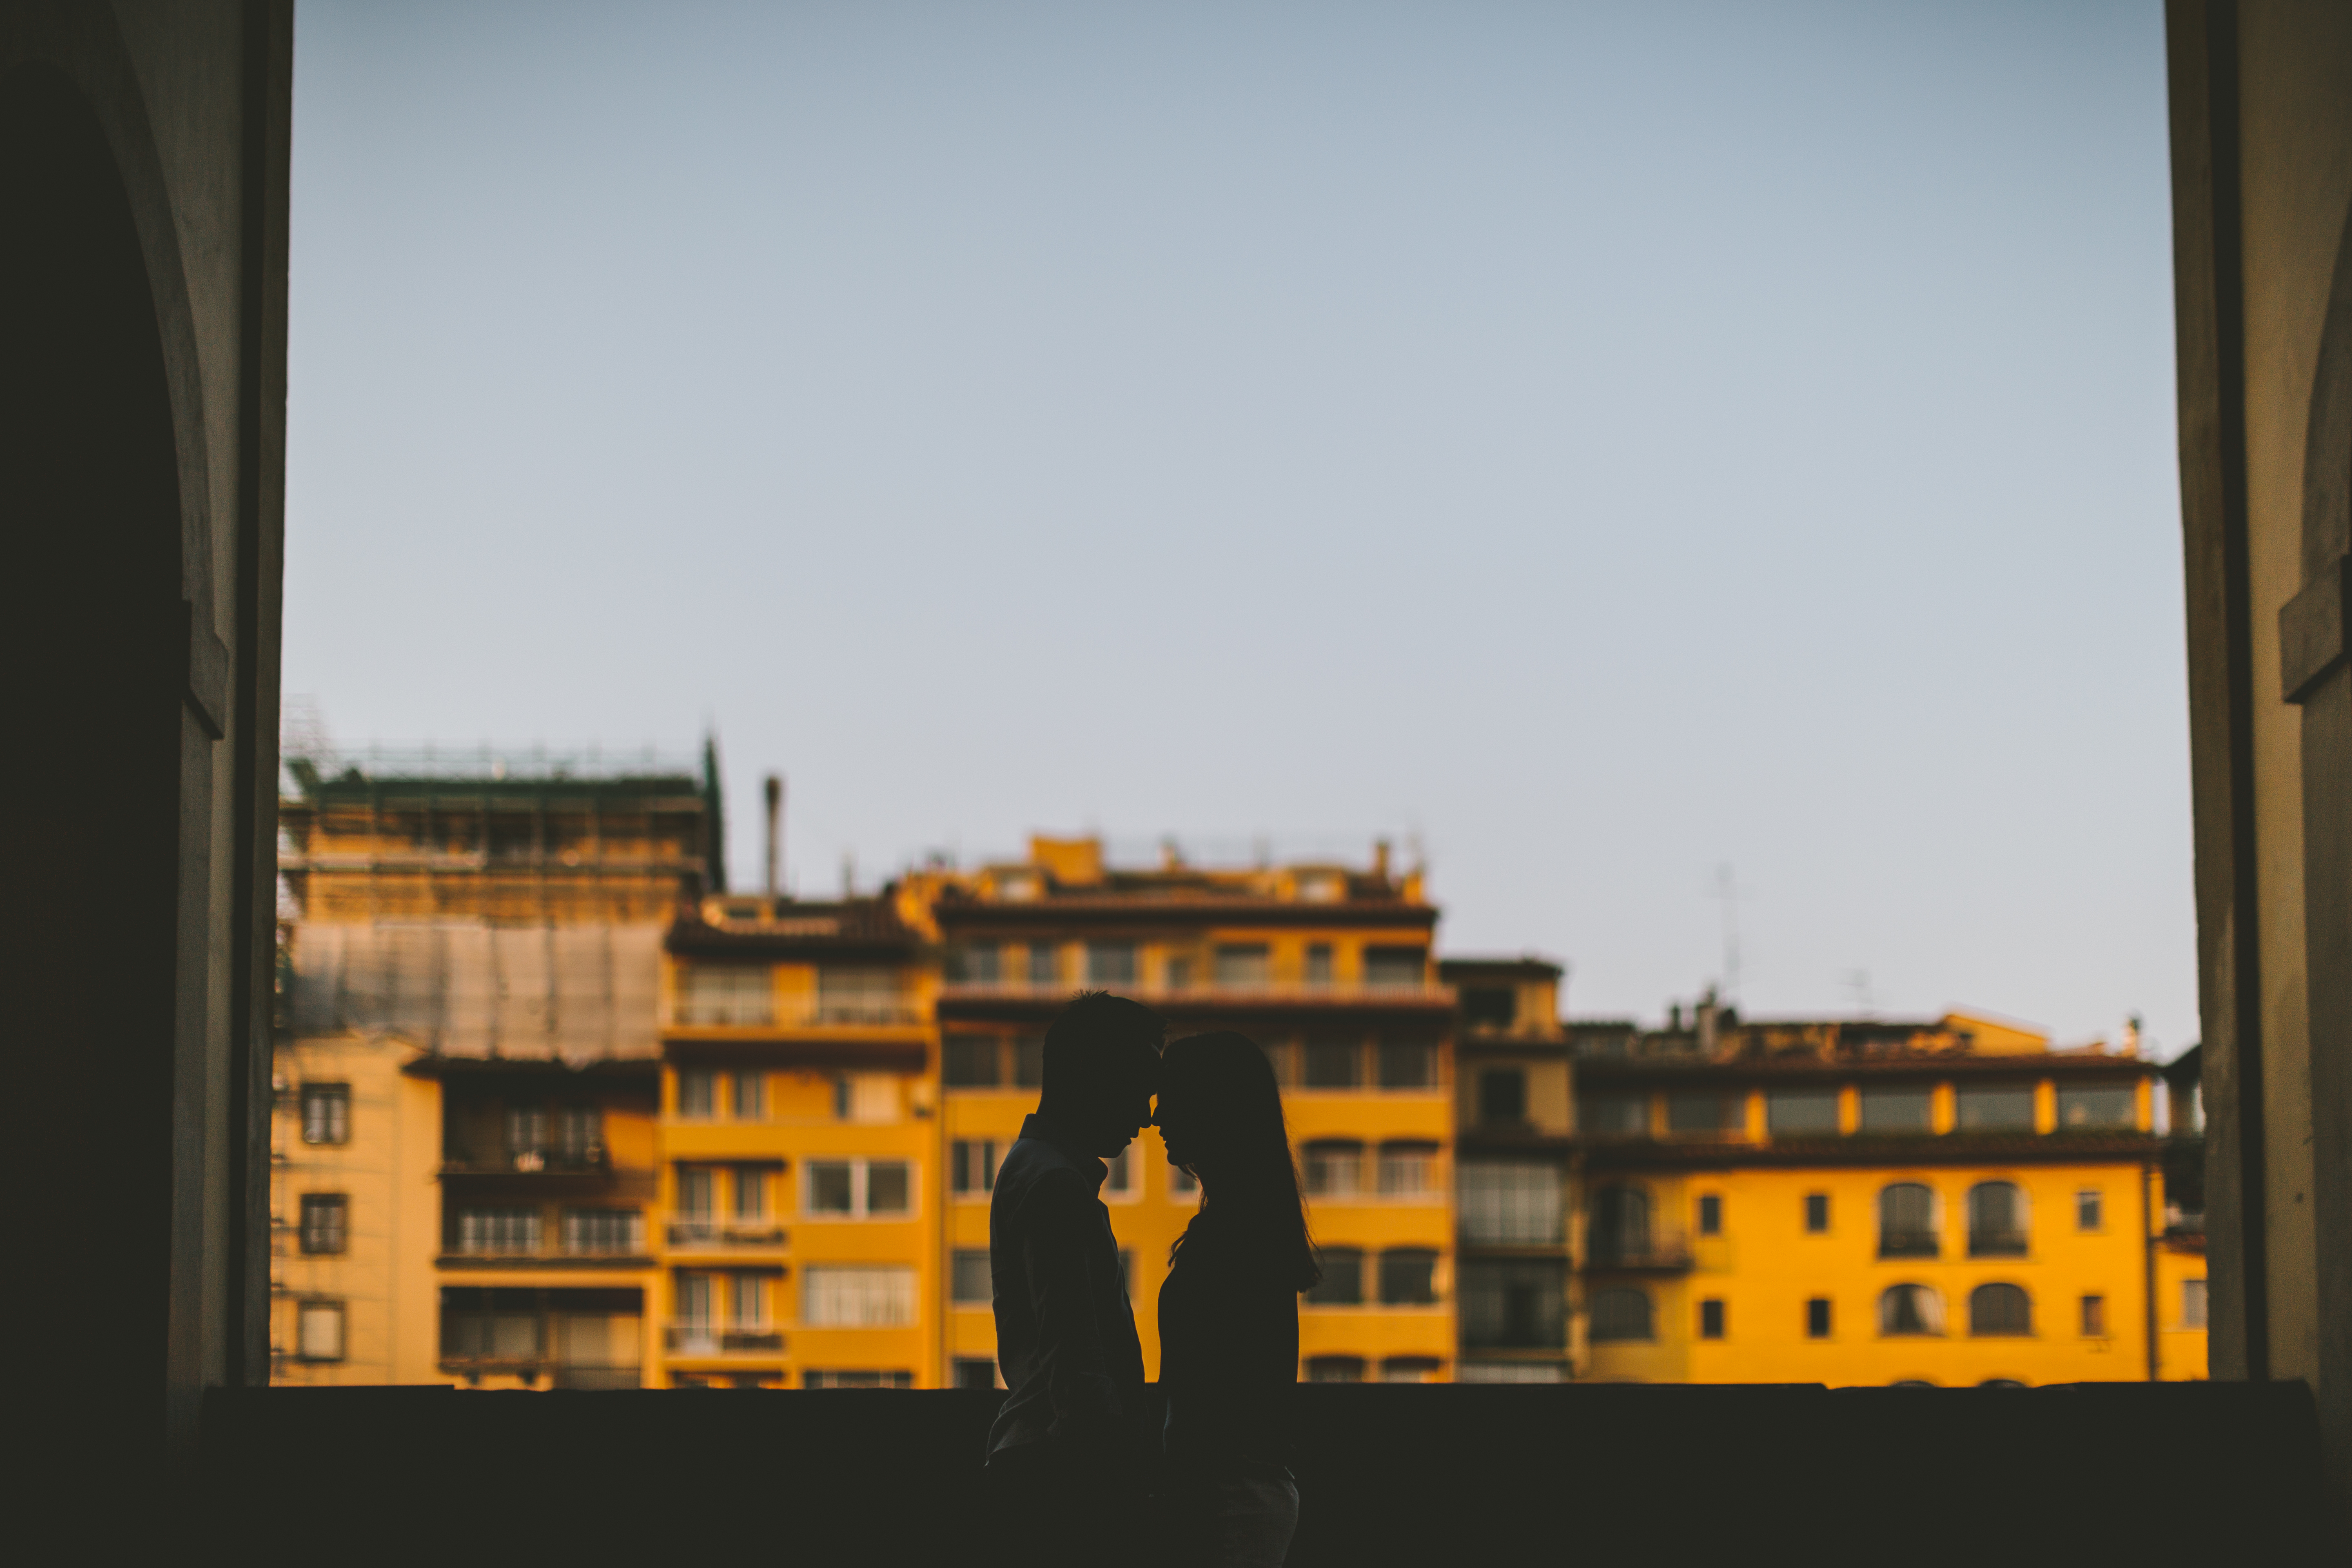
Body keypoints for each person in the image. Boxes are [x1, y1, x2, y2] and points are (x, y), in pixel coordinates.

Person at [983, 990, 1166, 1567]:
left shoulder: (1035, 1169)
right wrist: (1122, 1479)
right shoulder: (1056, 1187)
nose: (1146, 1114)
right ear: (1095, 1077)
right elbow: (1077, 1363)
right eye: (1140, 1086)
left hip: (1043, 1466)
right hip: (1066, 1477)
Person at [1151, 1030, 1321, 1568]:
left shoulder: (1236, 1236)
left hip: (1226, 1501)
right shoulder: (1246, 1224)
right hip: (1236, 1496)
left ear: (1210, 1108)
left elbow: (1216, 1395)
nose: (1156, 1117)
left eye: (1170, 1098)